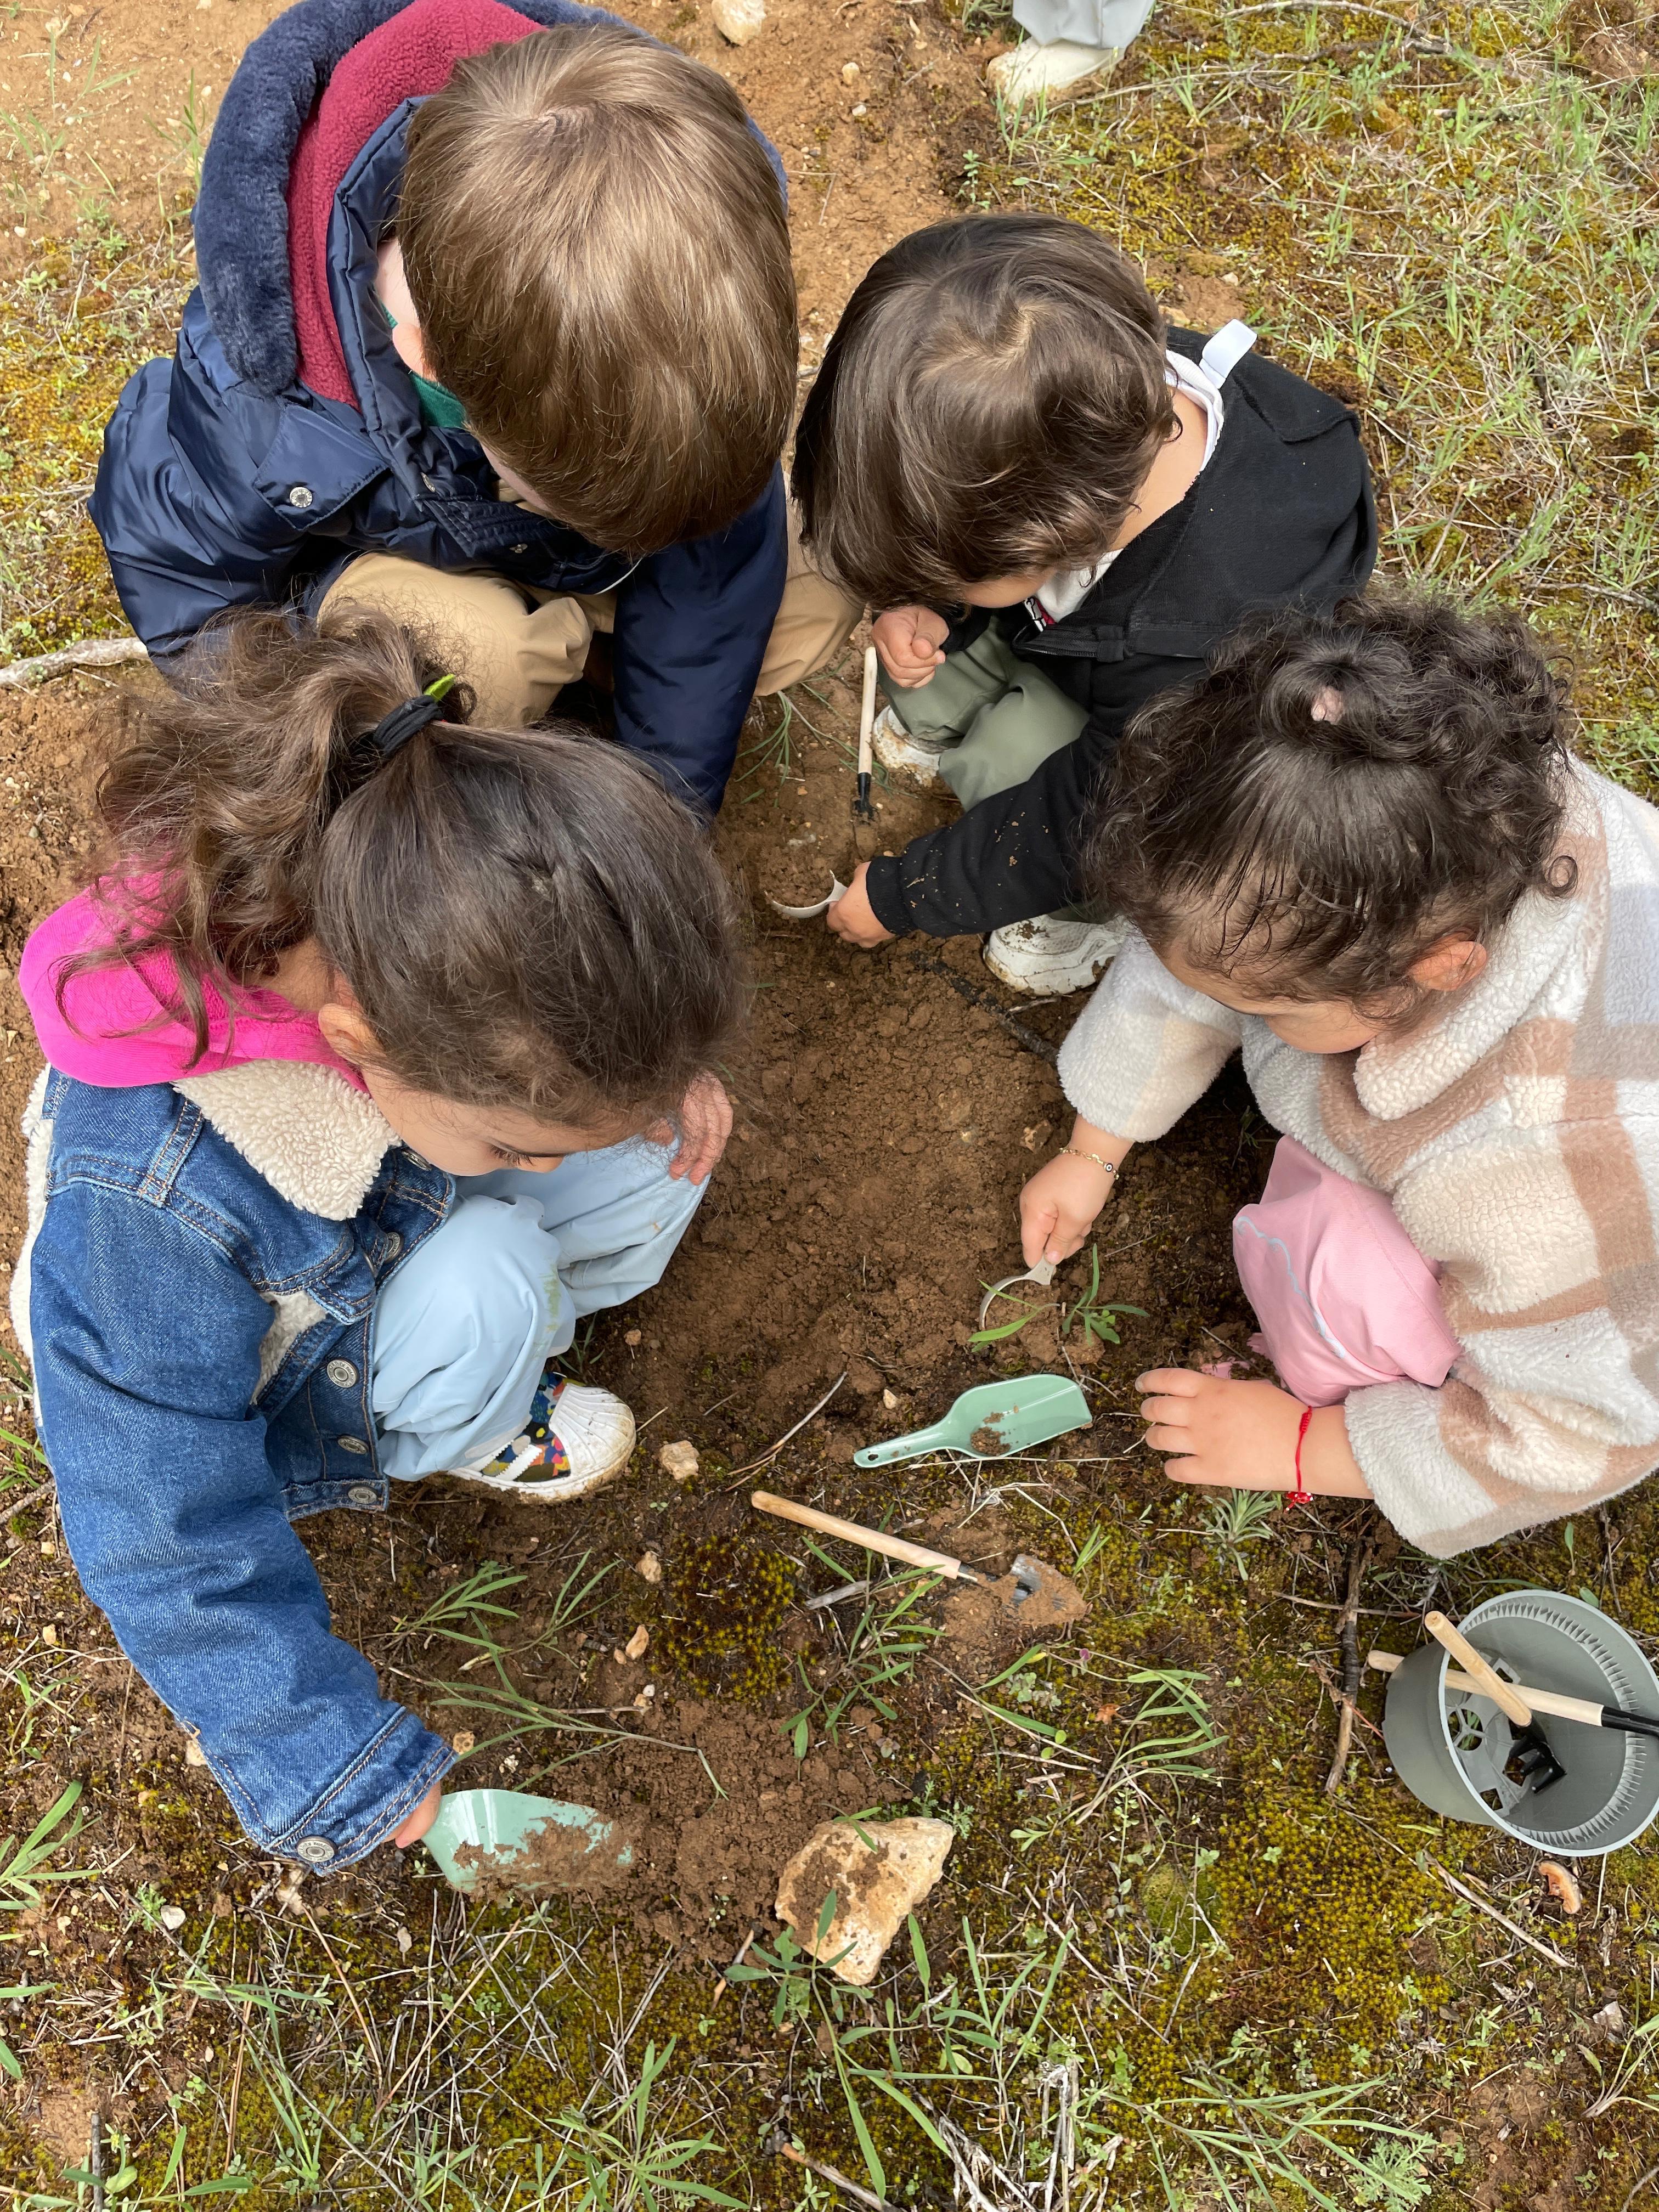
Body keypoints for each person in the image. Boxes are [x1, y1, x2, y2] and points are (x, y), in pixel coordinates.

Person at [12, 611, 743, 1867]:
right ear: (361, 1048)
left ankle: (498, 1318)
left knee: (650, 1155)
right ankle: (456, 1417)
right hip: (270, 1353)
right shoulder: (146, 1204)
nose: (541, 1160)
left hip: (387, 1192)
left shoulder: (423, 857)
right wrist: (325, 1760)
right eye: (517, 1141)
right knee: (494, 1277)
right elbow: (158, 1523)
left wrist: (643, 1075)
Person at [89, 0, 859, 815]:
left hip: (558, 553)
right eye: (551, 490)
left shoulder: (681, 316)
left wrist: (664, 811)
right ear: (428, 362)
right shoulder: (272, 400)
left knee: (813, 589)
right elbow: (183, 578)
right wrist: (299, 750)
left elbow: (717, 574)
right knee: (488, 655)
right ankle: (512, 694)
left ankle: (595, 688)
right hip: (399, 579)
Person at [1017, 594, 1659, 1557]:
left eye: (1272, 1009)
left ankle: (1330, 1372)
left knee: (1345, 1268)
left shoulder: (1549, 1156)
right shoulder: (1423, 807)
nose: (1239, 1013)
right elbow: (1195, 955)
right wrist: (1094, 1146)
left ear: (1440, 966)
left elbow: (1585, 1431)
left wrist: (1309, 1444)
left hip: (1613, 1246)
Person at [792, 213, 1376, 994]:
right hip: (1074, 637)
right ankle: (953, 716)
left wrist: (909, 895)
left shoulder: (1216, 642)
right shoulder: (1078, 383)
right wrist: (937, 606)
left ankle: (1082, 916)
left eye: (947, 569)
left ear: (1052, 539)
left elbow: (1090, 813)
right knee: (922, 667)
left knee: (1019, 765)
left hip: (1156, 758)